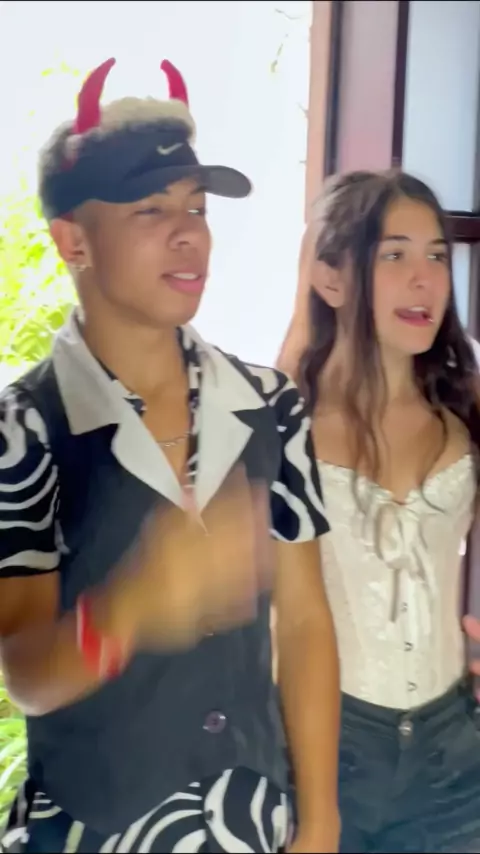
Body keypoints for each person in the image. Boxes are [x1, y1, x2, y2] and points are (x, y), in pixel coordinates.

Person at [0, 58, 340, 853]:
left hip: (250, 821)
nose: (190, 233)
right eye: (151, 209)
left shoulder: (269, 405)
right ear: (72, 240)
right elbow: (27, 676)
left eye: (196, 207)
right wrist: (135, 603)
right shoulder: (25, 427)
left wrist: (320, 821)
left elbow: (304, 621)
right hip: (91, 829)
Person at [278, 169, 480, 854]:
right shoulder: (282, 421)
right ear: (331, 279)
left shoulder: (464, 407)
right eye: (394, 254)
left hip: (454, 753)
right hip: (322, 749)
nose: (425, 280)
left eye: (436, 256)